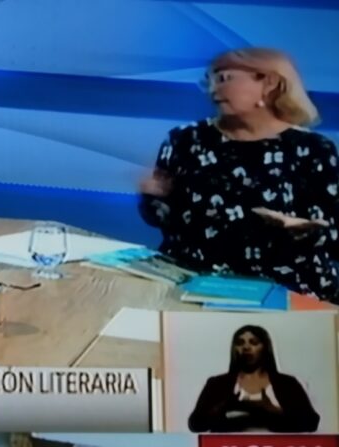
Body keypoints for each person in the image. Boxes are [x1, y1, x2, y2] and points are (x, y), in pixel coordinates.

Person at [139, 48, 339, 303]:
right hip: (196, 284)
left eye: (225, 79)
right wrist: (153, 198)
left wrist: (302, 229)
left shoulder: (313, 149)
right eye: (210, 80)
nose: (214, 89)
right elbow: (164, 221)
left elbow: (332, 232)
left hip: (285, 289)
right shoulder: (185, 139)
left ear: (269, 83)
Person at [188, 325, 319, 433]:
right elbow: (195, 425)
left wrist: (271, 409)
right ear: (234, 348)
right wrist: (223, 406)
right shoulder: (217, 383)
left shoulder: (287, 383)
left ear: (265, 347)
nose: (246, 347)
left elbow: (311, 423)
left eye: (254, 342)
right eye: (240, 343)